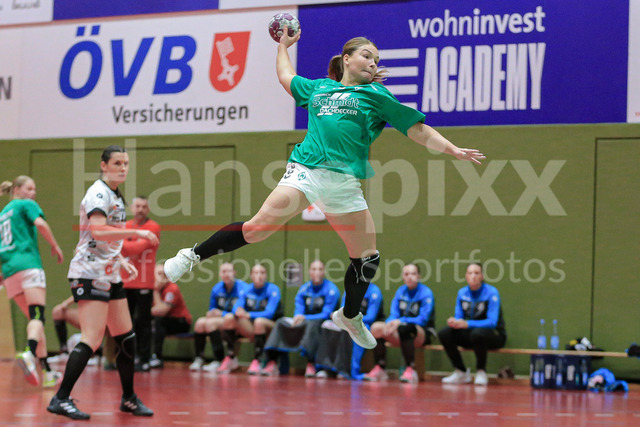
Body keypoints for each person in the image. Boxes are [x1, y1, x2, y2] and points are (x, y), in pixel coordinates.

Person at [163, 30, 484, 351]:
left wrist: (452, 149)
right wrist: (283, 46)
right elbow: (286, 76)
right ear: (347, 59)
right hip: (307, 171)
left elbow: (417, 129)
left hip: (344, 183)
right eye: (367, 56)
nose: (373, 63)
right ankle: (191, 255)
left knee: (367, 258)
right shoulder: (319, 88)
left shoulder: (376, 95)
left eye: (376, 60)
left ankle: (350, 315)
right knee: (257, 229)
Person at [47, 145, 159, 420]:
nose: (123, 168)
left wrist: (119, 259)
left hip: (109, 271)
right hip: (90, 272)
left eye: (126, 163)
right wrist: (137, 232)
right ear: (104, 165)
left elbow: (101, 237)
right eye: (117, 163)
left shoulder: (116, 195)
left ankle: (128, 398)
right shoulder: (98, 192)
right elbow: (97, 230)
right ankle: (60, 398)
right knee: (92, 338)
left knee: (126, 336)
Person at [0, 176, 64, 388]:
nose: (33, 193)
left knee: (34, 321)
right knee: (38, 316)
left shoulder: (2, 215)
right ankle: (29, 353)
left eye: (34, 189)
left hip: (9, 272)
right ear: (17, 190)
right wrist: (54, 245)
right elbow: (40, 224)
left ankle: (47, 372)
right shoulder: (25, 204)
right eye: (29, 188)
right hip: (28, 266)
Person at [261, 260, 339, 377]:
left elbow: (326, 313)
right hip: (304, 322)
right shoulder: (304, 289)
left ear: (324, 272)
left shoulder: (331, 289)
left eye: (320, 269)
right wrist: (298, 315)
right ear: (309, 272)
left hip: (320, 324)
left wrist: (305, 317)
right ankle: (272, 361)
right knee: (281, 322)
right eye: (314, 269)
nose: (316, 272)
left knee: (312, 324)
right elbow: (299, 307)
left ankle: (311, 363)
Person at [438, 263, 507, 386]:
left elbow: (492, 322)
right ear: (466, 276)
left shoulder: (491, 292)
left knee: (478, 334)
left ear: (482, 276)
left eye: (476, 273)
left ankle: (481, 371)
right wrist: (454, 322)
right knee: (445, 333)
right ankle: (460, 372)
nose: (473, 276)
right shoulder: (462, 293)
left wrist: (467, 323)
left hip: (494, 335)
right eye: (470, 273)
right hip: (472, 335)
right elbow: (459, 317)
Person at [364, 264, 435, 383]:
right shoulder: (401, 291)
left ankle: (411, 369)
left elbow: (423, 319)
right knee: (376, 328)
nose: (410, 277)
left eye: (413, 273)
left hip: (422, 333)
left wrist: (401, 321)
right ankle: (380, 367)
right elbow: (394, 314)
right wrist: (389, 323)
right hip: (400, 331)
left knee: (405, 328)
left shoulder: (426, 293)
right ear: (403, 277)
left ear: (419, 276)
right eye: (406, 274)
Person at [218, 263, 282, 375]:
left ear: (266, 275)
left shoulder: (273, 289)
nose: (259, 276)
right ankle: (231, 357)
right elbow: (236, 307)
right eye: (256, 273)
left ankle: (258, 360)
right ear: (251, 275)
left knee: (259, 321)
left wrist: (248, 315)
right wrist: (238, 311)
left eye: (262, 273)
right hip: (252, 328)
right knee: (229, 318)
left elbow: (269, 313)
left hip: (272, 327)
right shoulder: (247, 290)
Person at [121, 196, 160, 372]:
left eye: (144, 206)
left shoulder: (153, 227)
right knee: (124, 322)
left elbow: (133, 248)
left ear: (148, 209)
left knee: (143, 322)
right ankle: (125, 357)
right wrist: (128, 243)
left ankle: (144, 358)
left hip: (144, 282)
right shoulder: (125, 226)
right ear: (131, 208)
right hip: (125, 281)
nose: (140, 209)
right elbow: (119, 246)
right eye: (137, 206)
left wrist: (127, 243)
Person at [315, 282, 384, 379]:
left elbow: (371, 317)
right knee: (327, 325)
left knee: (351, 330)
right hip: (348, 321)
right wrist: (337, 316)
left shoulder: (374, 291)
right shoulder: (350, 288)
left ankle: (348, 370)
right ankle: (326, 368)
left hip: (364, 323)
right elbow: (343, 310)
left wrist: (353, 320)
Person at [189, 262, 249, 372]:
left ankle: (219, 360)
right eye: (223, 271)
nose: (226, 274)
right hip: (222, 320)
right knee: (200, 323)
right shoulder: (217, 288)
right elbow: (212, 308)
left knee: (211, 324)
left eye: (229, 271)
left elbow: (238, 311)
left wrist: (221, 314)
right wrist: (211, 313)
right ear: (220, 274)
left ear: (234, 273)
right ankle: (199, 358)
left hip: (238, 321)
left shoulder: (243, 287)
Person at [150, 264, 192, 369]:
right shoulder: (147, 288)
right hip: (164, 321)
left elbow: (161, 311)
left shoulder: (172, 288)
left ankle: (157, 357)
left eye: (165, 275)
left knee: (159, 321)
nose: (162, 277)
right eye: (159, 274)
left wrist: (155, 291)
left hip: (181, 322)